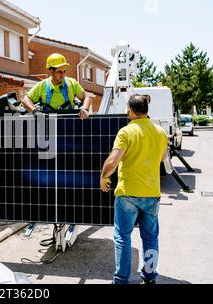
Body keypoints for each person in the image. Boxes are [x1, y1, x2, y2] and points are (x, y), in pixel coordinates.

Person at [100, 95, 168, 284]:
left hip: (128, 193)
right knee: (151, 238)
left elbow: (113, 161)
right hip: (152, 194)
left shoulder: (126, 132)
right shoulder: (160, 132)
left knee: (123, 238)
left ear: (130, 110)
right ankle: (150, 275)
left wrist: (104, 176)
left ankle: (121, 280)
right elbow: (163, 157)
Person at [21, 53, 93, 119]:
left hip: (69, 122)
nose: (63, 75)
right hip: (49, 124)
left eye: (64, 71)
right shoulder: (42, 85)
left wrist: (85, 109)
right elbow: (25, 100)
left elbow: (87, 97)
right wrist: (35, 112)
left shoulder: (72, 83)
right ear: (51, 71)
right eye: (59, 72)